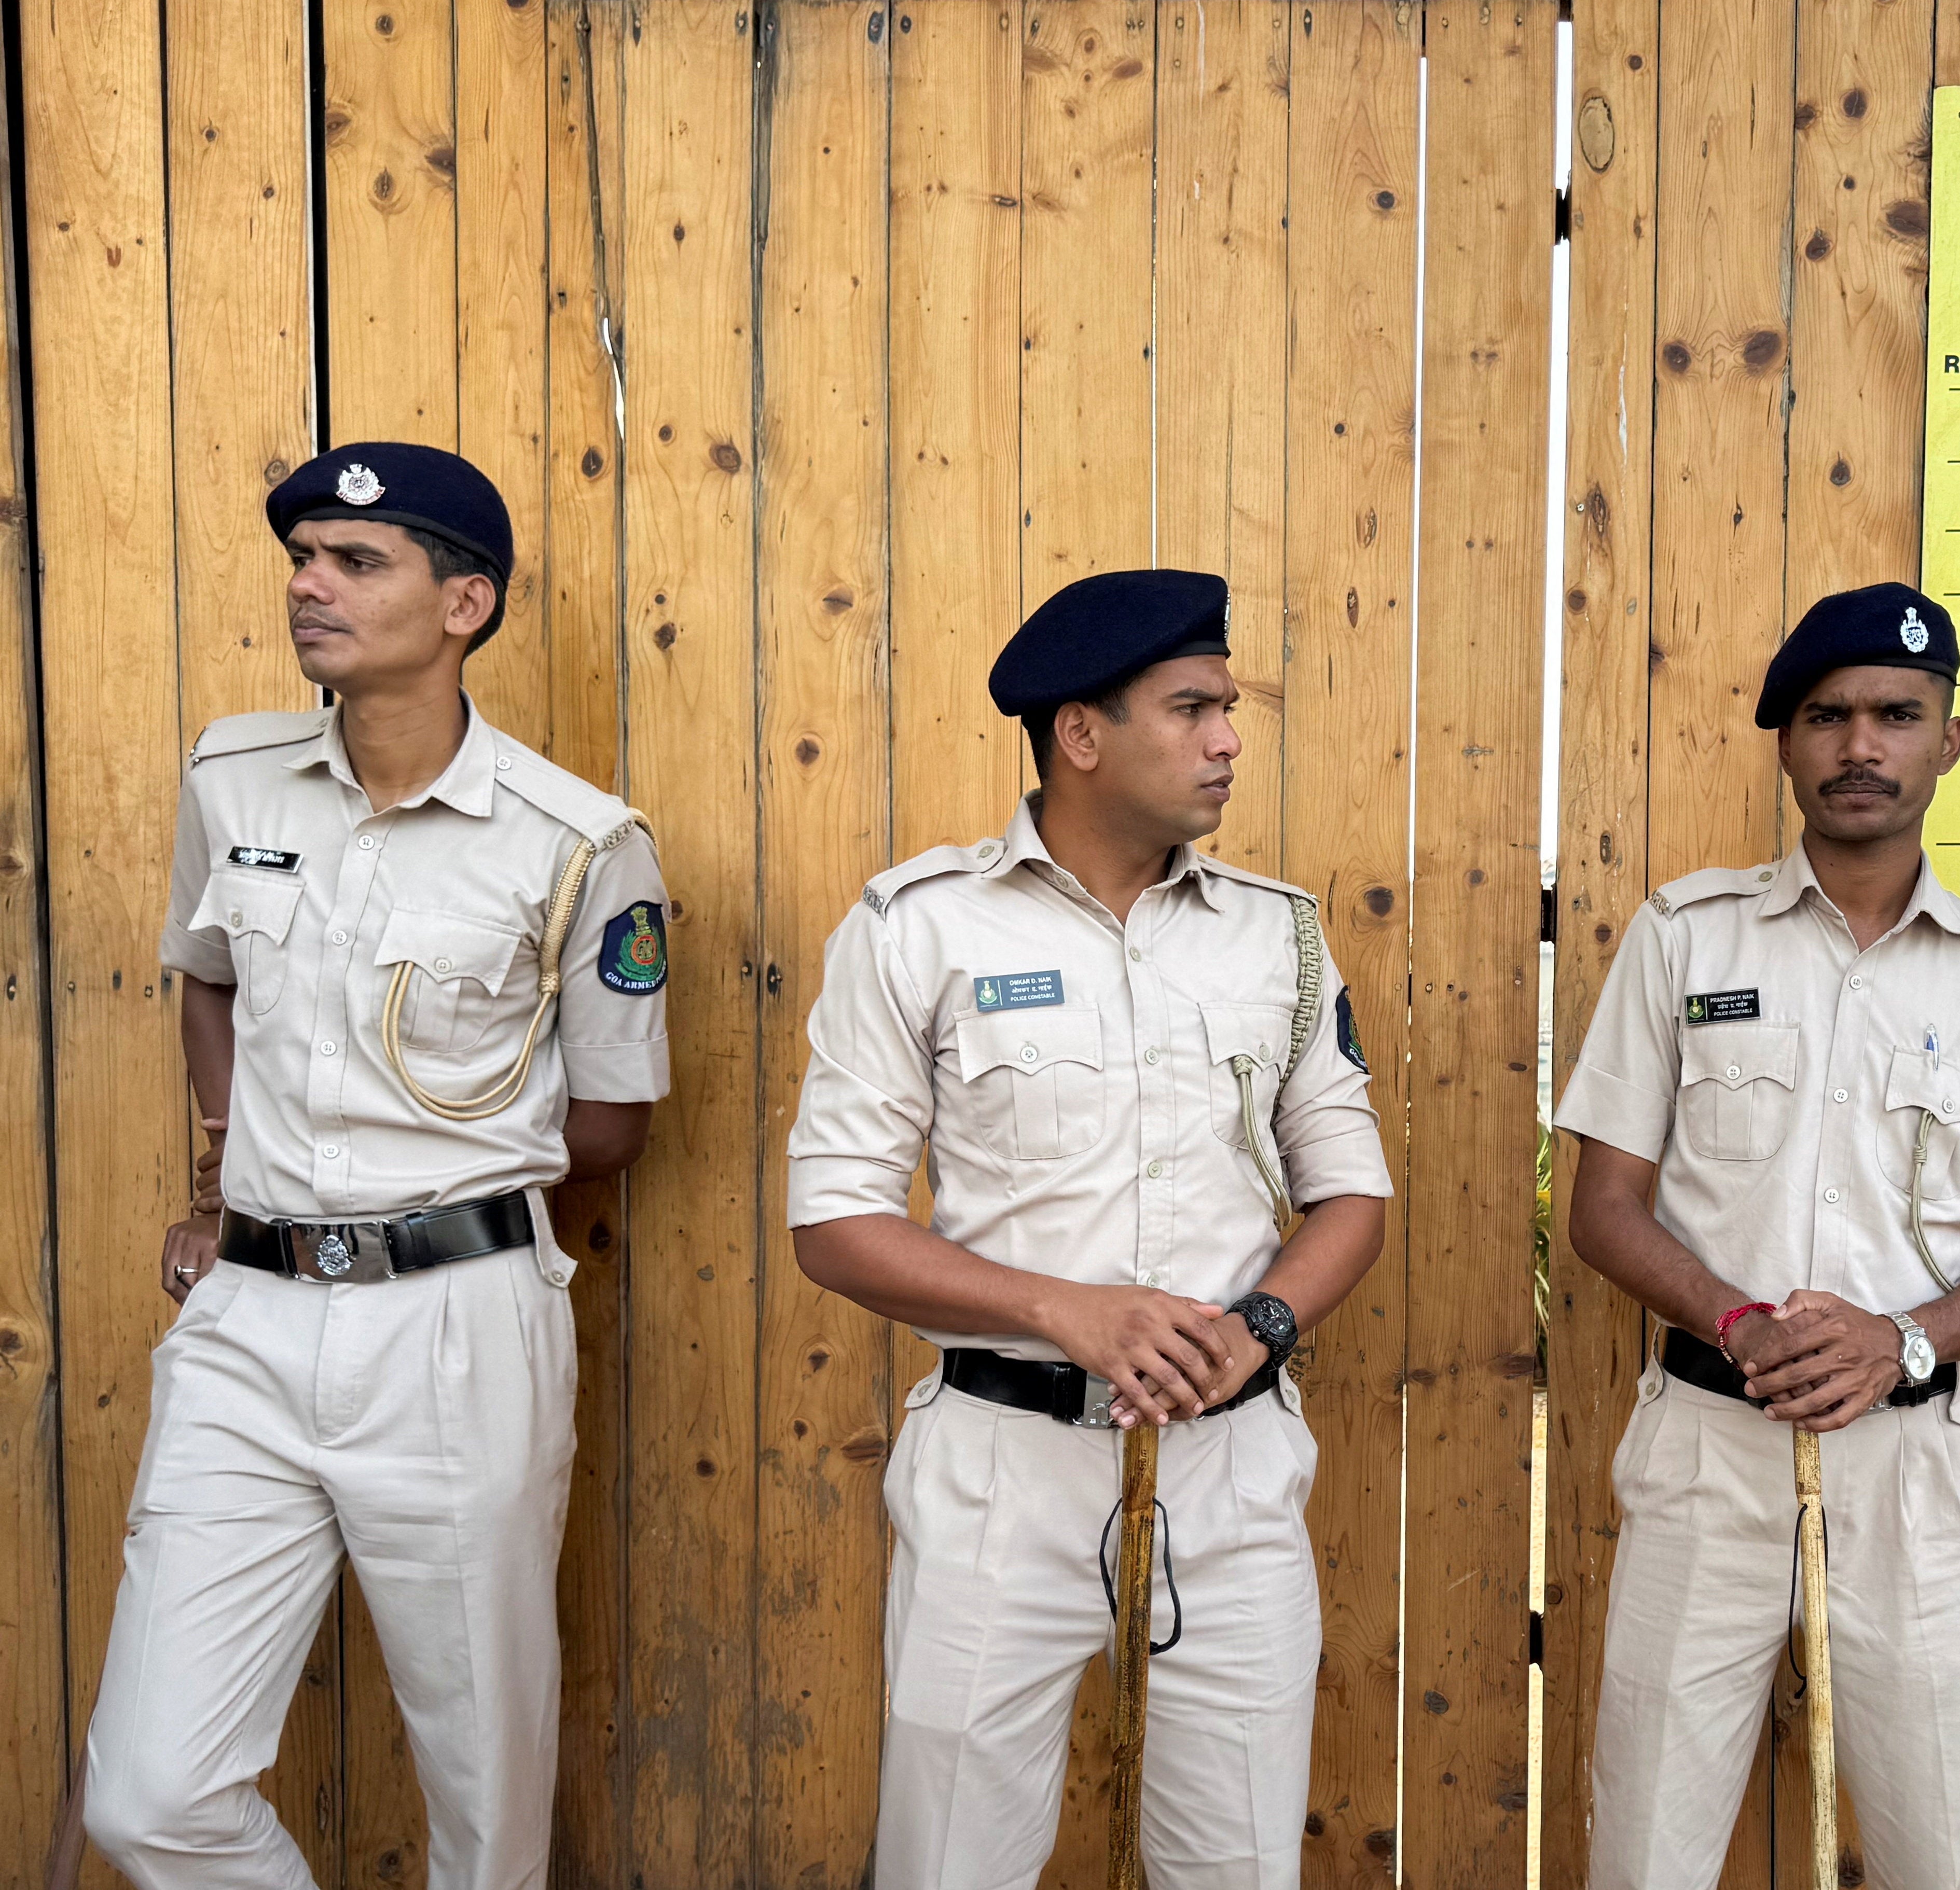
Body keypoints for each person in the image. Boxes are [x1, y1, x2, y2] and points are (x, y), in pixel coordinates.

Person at [81, 444, 672, 1889]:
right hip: (249, 1326)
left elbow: (612, 1119)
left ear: (465, 602)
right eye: (304, 557)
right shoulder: (235, 777)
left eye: (359, 562)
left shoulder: (580, 842)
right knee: (149, 1795)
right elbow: (208, 977)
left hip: (459, 1330)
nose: (310, 584)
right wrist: (223, 1175)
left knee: (485, 1806)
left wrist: (440, 1196)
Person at [785, 567, 1392, 1890]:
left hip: (1227, 1477)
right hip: (1000, 1474)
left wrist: (1260, 1329)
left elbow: (1350, 1194)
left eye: (1226, 708)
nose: (1228, 738)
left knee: (1234, 1869)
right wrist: (1072, 1311)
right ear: (1080, 733)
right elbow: (832, 1220)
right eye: (1191, 708)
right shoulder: (919, 926)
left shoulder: (1278, 940)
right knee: (948, 1866)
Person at [1555, 582, 1960, 1890]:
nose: (1861, 745)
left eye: (1896, 716)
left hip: (1911, 1465)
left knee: (1927, 1850)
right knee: (1645, 1847)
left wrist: (1896, 1342)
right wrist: (1742, 1324)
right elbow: (1601, 1209)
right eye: (1829, 716)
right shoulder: (1684, 937)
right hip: (1707, 1449)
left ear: (1947, 741)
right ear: (1788, 743)